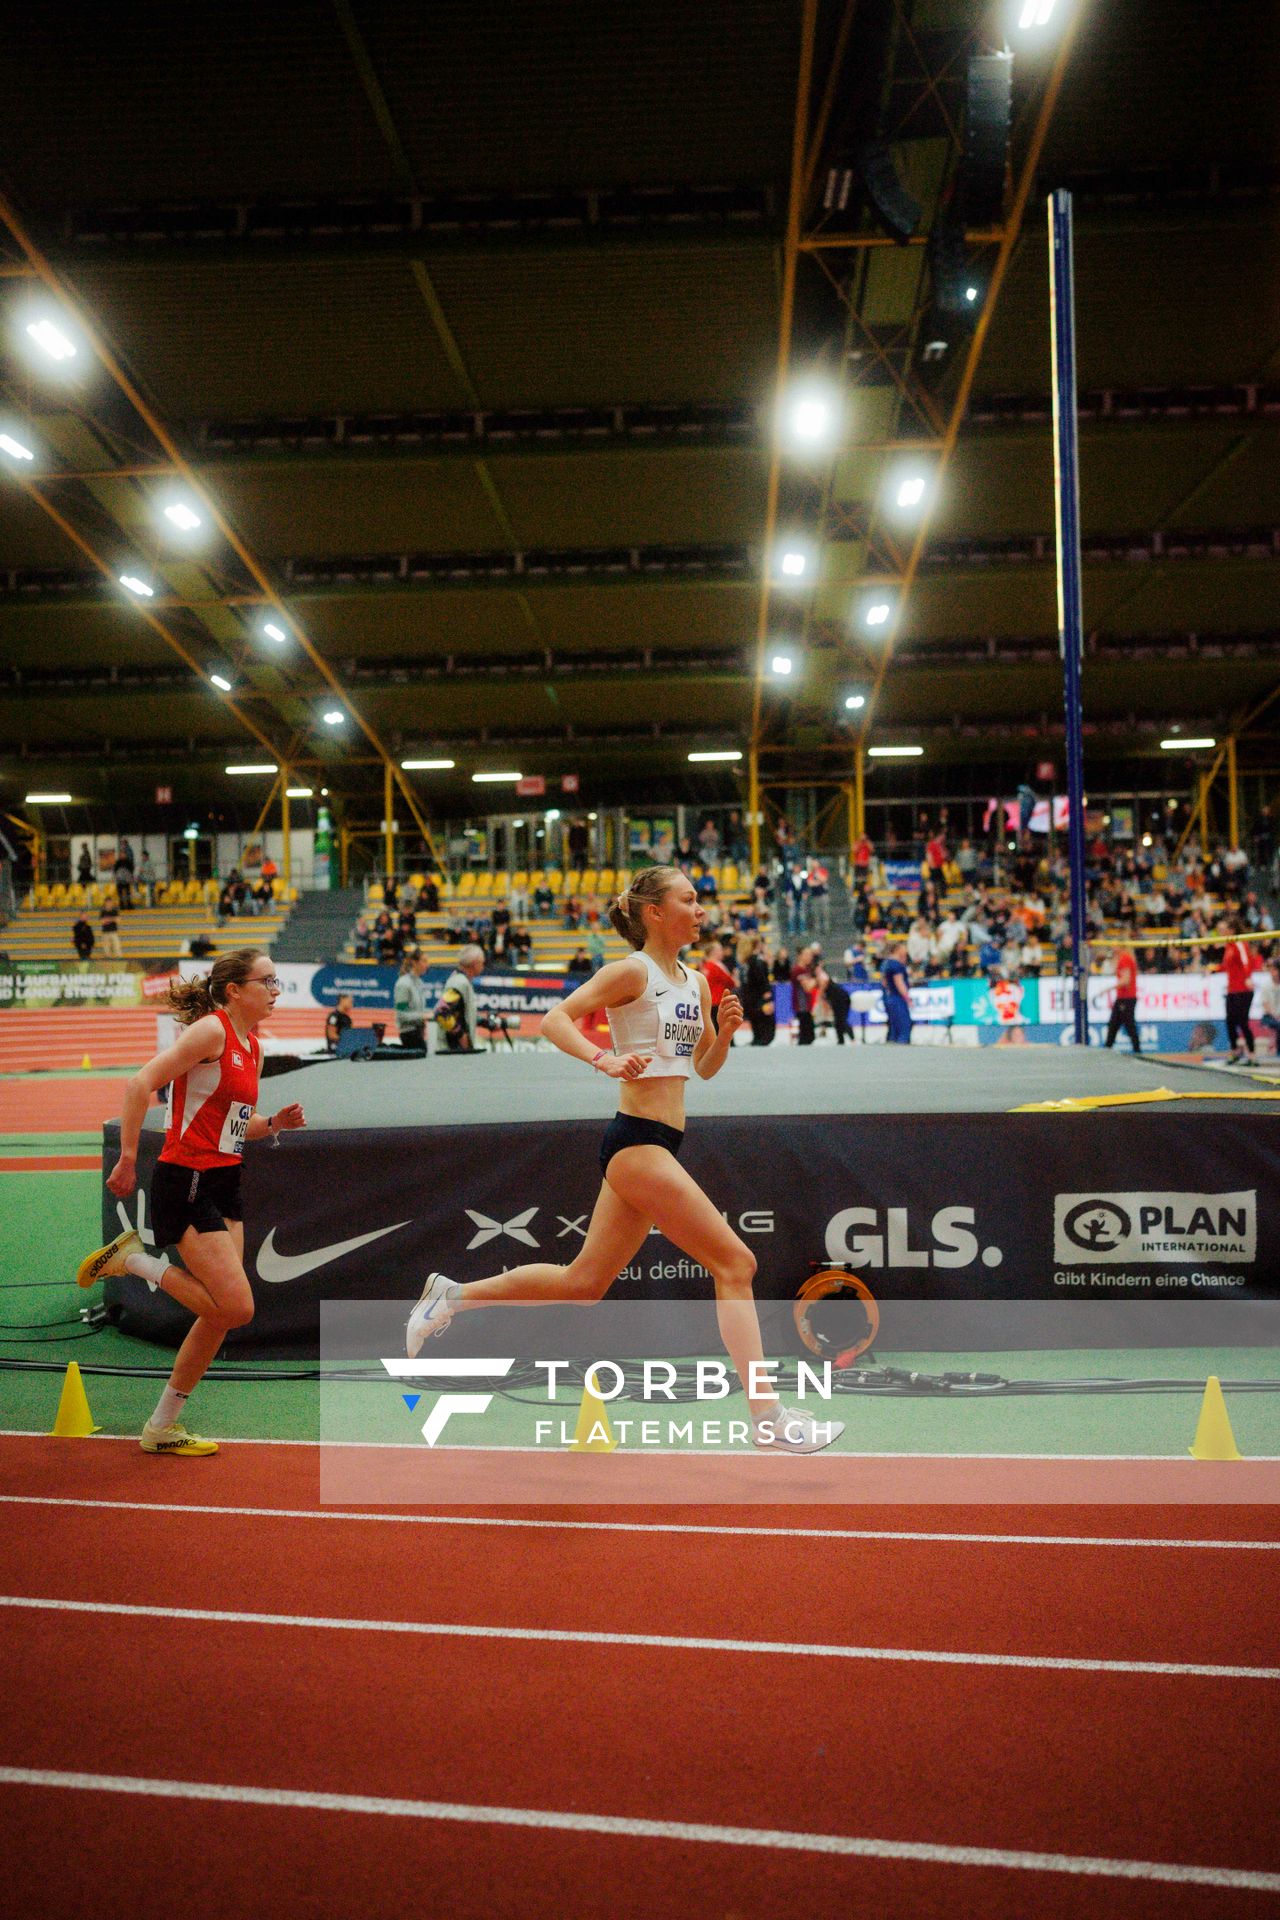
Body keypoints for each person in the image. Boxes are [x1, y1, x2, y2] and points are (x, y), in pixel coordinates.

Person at [405, 866, 842, 1454]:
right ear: (655, 913)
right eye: (688, 899)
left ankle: (451, 1294)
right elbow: (554, 1019)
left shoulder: (697, 981)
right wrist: (602, 1059)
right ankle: (767, 1417)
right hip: (635, 1142)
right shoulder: (630, 972)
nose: (700, 908)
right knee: (736, 1264)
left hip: (660, 1143)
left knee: (583, 1283)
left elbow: (702, 1070)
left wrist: (725, 1035)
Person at [75, 949, 306, 1455]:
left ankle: (161, 1426)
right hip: (187, 1179)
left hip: (225, 1181)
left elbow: (234, 1129)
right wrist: (129, 1157)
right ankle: (134, 1261)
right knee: (238, 1308)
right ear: (234, 990)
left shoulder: (255, 1047)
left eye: (276, 982)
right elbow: (140, 1084)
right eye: (266, 981)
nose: (274, 991)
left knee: (220, 1314)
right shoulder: (211, 1032)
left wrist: (273, 1126)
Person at [436, 943, 486, 1052]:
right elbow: (441, 1011)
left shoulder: (462, 980)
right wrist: (461, 1035)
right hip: (453, 1049)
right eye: (482, 963)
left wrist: (483, 1021)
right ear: (474, 964)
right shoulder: (460, 982)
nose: (483, 966)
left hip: (455, 1050)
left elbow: (461, 1012)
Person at [1221, 925, 1257, 1063]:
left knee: (1242, 1022)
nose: (1223, 932)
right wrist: (1214, 969)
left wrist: (1248, 977)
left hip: (1243, 989)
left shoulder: (1240, 943)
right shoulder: (1228, 946)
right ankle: (1235, 1051)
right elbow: (1227, 965)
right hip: (1232, 990)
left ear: (1232, 930)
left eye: (1225, 930)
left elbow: (1246, 961)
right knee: (1230, 1021)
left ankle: (1252, 1054)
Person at [1104, 943, 1141, 1054]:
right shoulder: (1123, 958)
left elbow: (1125, 980)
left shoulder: (1125, 959)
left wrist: (1108, 989)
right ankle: (1108, 1047)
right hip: (1124, 997)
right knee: (1114, 1024)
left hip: (1126, 997)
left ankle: (1137, 1049)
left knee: (1127, 1024)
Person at [393, 950, 429, 1050]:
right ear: (414, 962)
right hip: (409, 1034)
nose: (427, 964)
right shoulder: (403, 984)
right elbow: (401, 1014)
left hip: (419, 1032)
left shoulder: (420, 982)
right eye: (424, 961)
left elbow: (418, 1010)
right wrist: (423, 1016)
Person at [881, 941, 913, 1044]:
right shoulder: (896, 965)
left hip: (890, 996)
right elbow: (899, 982)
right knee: (904, 1024)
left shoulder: (886, 963)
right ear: (898, 949)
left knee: (894, 1026)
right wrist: (907, 998)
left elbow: (884, 982)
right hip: (898, 997)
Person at [99, 893, 123, 957]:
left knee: (117, 947)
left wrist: (108, 919)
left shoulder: (115, 911)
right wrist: (113, 919)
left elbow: (118, 920)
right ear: (105, 903)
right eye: (107, 902)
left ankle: (118, 959)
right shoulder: (103, 911)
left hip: (113, 931)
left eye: (110, 902)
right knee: (106, 949)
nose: (109, 904)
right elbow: (102, 921)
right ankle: (107, 959)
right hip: (105, 932)